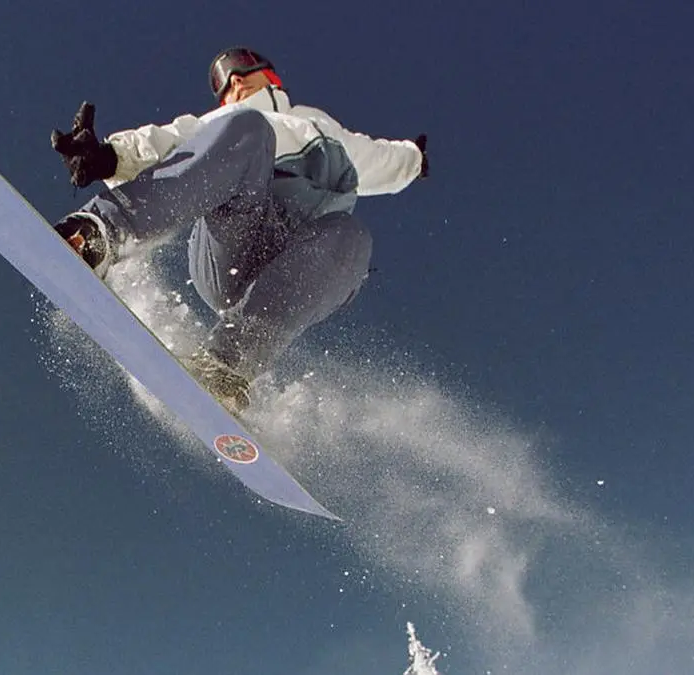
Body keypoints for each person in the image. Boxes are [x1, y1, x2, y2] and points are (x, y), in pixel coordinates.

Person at [49, 46, 428, 414]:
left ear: (269, 74)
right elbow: (172, 146)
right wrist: (108, 157)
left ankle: (226, 366)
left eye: (240, 69)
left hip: (299, 269)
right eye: (222, 83)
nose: (233, 83)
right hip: (235, 242)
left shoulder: (332, 135)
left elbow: (384, 159)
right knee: (248, 128)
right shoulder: (230, 120)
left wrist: (414, 159)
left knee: (353, 237)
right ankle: (100, 234)